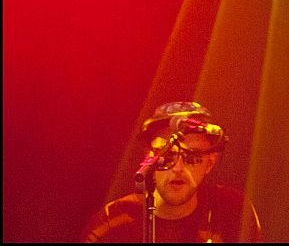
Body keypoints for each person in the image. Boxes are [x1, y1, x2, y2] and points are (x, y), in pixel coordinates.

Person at [81, 101, 262, 243]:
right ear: (149, 158)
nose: (178, 168)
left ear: (209, 163)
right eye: (168, 155)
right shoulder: (111, 224)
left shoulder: (231, 212)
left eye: (192, 157)